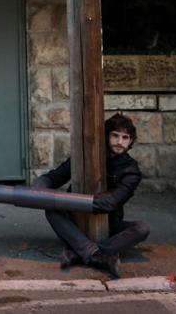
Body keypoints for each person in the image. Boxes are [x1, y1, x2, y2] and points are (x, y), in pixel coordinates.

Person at [34, 112, 150, 279]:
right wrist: (38, 188)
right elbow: (55, 177)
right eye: (115, 135)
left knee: (142, 228)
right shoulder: (84, 156)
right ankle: (98, 255)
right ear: (106, 136)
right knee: (51, 209)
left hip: (107, 226)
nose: (119, 142)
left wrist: (67, 201)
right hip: (74, 222)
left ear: (131, 141)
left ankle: (85, 252)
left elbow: (110, 203)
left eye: (125, 138)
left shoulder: (131, 170)